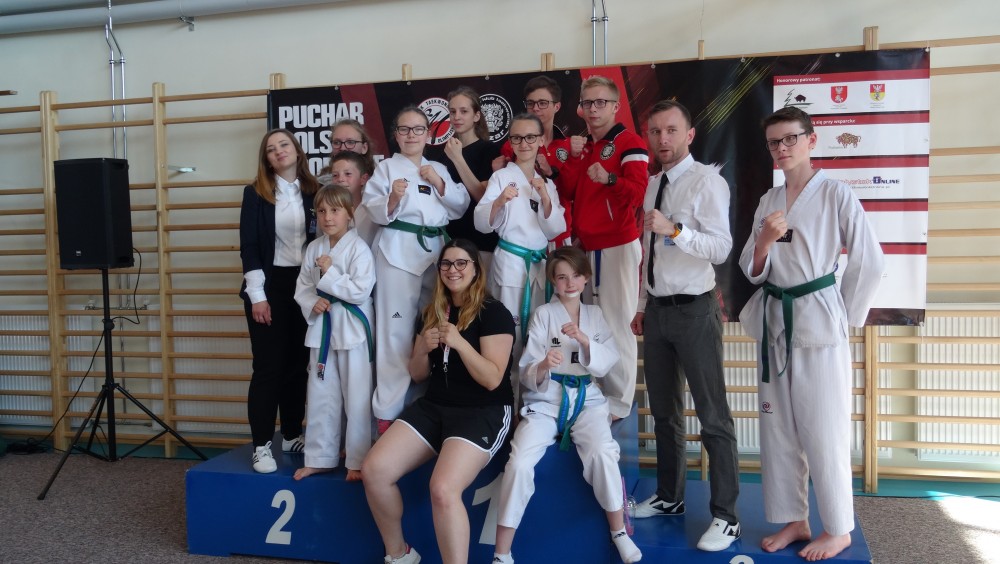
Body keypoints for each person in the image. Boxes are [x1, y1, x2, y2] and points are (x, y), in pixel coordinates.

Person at [738, 106, 884, 561]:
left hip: (819, 321)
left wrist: (843, 314)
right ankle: (794, 519)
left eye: (790, 139)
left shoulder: (836, 193)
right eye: (774, 142)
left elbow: (869, 260)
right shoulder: (769, 199)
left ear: (811, 140)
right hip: (775, 319)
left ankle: (838, 528)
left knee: (824, 427)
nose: (782, 148)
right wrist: (764, 242)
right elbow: (751, 266)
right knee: (778, 427)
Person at [628, 100, 741, 551]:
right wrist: (642, 303)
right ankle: (669, 496)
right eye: (655, 131)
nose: (663, 139)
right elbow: (647, 252)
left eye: (671, 130)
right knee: (664, 413)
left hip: (695, 309)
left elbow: (721, 248)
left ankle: (727, 516)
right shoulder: (653, 183)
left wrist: (676, 230)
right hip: (658, 310)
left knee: (713, 416)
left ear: (689, 135)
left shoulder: (707, 181)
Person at [361, 239, 515, 564]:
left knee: (443, 489)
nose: (452, 270)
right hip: (435, 406)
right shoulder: (432, 312)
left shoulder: (493, 312)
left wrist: (459, 343)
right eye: (446, 263)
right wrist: (420, 350)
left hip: (482, 410)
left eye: (461, 263)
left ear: (475, 269)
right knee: (374, 470)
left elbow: (492, 379)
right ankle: (399, 554)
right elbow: (418, 374)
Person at [493, 246, 641, 564]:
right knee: (519, 462)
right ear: (553, 282)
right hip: (546, 401)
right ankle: (502, 551)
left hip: (587, 399)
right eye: (561, 277)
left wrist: (586, 341)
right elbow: (527, 368)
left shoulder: (595, 315)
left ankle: (619, 532)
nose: (569, 283)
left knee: (602, 452)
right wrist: (544, 365)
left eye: (575, 276)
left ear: (586, 278)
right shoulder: (544, 315)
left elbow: (609, 359)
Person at [363, 107, 470, 432]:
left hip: (436, 254)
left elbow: (461, 205)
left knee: (433, 329)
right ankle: (388, 412)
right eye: (405, 129)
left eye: (418, 129)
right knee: (395, 332)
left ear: (428, 134)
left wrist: (439, 182)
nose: (411, 135)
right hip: (397, 252)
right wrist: (392, 199)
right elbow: (373, 210)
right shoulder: (386, 169)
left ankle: (424, 404)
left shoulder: (438, 167)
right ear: (395, 134)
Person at [555, 75, 648, 420]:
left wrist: (610, 179)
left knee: (617, 324)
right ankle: (598, 395)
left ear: (615, 106)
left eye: (600, 102)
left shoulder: (629, 142)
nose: (593, 109)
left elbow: (638, 194)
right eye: (587, 103)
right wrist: (572, 159)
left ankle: (619, 404)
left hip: (617, 244)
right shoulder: (586, 146)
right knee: (592, 324)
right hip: (587, 246)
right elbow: (567, 191)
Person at [239, 128, 320, 473]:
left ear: (297, 151)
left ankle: (290, 433)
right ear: (267, 160)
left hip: (305, 287)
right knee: (268, 367)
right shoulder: (255, 193)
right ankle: (261, 445)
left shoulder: (315, 191)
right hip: (268, 286)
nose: (279, 151)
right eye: (271, 149)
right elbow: (249, 246)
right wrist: (257, 296)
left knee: (297, 366)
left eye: (284, 144)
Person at [292, 185, 375, 482]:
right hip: (323, 327)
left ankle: (357, 460)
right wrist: (312, 302)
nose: (328, 217)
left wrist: (330, 274)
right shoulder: (314, 248)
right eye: (322, 211)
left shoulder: (360, 248)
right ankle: (320, 458)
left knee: (357, 397)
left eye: (335, 210)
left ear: (350, 214)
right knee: (321, 395)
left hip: (353, 329)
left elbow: (361, 291)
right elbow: (303, 287)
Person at [474, 113, 565, 379]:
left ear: (541, 140)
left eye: (530, 137)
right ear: (510, 142)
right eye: (517, 138)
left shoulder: (547, 184)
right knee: (509, 332)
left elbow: (555, 229)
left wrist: (545, 197)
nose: (524, 144)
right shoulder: (501, 178)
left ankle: (534, 394)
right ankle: (508, 394)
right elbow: (481, 223)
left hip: (539, 265)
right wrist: (499, 202)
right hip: (511, 262)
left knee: (537, 333)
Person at [495, 75, 573, 248]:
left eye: (542, 103)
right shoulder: (510, 146)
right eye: (530, 103)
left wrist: (550, 173)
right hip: (525, 234)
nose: (535, 108)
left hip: (559, 231)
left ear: (557, 106)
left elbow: (572, 192)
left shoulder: (569, 145)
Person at [434, 86, 501, 269]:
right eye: (453, 111)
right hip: (451, 241)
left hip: (481, 241)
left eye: (464, 111)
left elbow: (483, 197)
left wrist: (458, 159)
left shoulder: (489, 150)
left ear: (476, 116)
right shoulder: (442, 155)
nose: (457, 117)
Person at [329, 151, 377, 247]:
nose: (340, 179)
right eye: (335, 175)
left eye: (348, 174)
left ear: (363, 179)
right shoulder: (326, 210)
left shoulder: (373, 209)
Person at [317, 118, 377, 184]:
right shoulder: (319, 185)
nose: (343, 148)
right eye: (337, 142)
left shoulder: (380, 182)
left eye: (350, 142)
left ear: (364, 148)